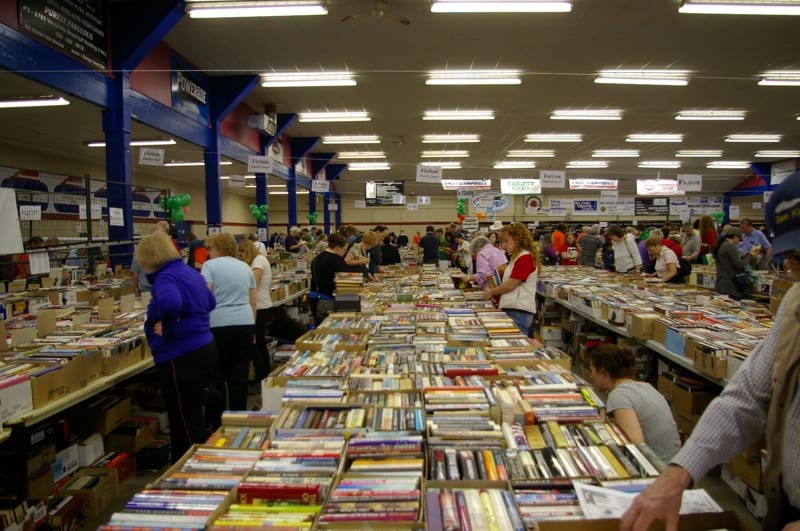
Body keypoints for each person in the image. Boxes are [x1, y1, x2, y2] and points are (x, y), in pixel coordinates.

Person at [621, 169, 800, 531]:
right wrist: (679, 472)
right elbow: (748, 395)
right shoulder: (795, 304)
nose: (789, 268)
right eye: (791, 256)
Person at [134, 231, 219, 462]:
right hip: (204, 346)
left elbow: (171, 305)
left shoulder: (166, 278)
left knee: (182, 418)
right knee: (193, 412)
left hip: (181, 355)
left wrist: (171, 330)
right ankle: (199, 457)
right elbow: (211, 302)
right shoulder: (190, 272)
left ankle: (185, 466)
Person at [588, 344, 680, 463]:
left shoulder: (619, 396)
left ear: (603, 372)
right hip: (674, 463)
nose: (590, 376)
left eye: (592, 370)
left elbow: (636, 444)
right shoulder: (647, 387)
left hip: (657, 469)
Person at [201, 232, 256, 411]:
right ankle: (238, 416)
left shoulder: (209, 266)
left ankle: (218, 420)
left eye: (210, 248)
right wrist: (253, 327)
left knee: (217, 376)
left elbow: (205, 296)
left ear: (218, 248)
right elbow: (252, 300)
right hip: (245, 322)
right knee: (239, 376)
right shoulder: (245, 267)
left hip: (218, 324)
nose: (208, 252)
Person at [484, 222, 538, 336]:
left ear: (517, 239)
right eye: (501, 242)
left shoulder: (525, 258)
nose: (503, 246)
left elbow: (511, 285)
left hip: (518, 311)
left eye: (506, 242)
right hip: (514, 309)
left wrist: (492, 291)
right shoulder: (517, 257)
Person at [238, 239, 274, 386]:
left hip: (259, 305)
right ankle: (265, 374)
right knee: (259, 343)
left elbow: (252, 284)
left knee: (255, 344)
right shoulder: (259, 260)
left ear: (247, 252)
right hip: (262, 304)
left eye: (242, 255)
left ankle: (261, 376)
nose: (241, 258)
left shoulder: (258, 261)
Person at [309, 233, 349, 325]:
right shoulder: (337, 261)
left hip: (314, 297)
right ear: (338, 247)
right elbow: (345, 283)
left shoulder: (317, 258)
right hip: (328, 300)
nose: (345, 252)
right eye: (344, 249)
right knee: (331, 326)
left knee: (320, 327)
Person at [714, 227, 756, 300]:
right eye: (739, 239)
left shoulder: (723, 245)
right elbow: (739, 264)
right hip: (730, 285)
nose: (739, 241)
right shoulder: (729, 246)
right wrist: (751, 256)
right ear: (735, 237)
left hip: (723, 284)